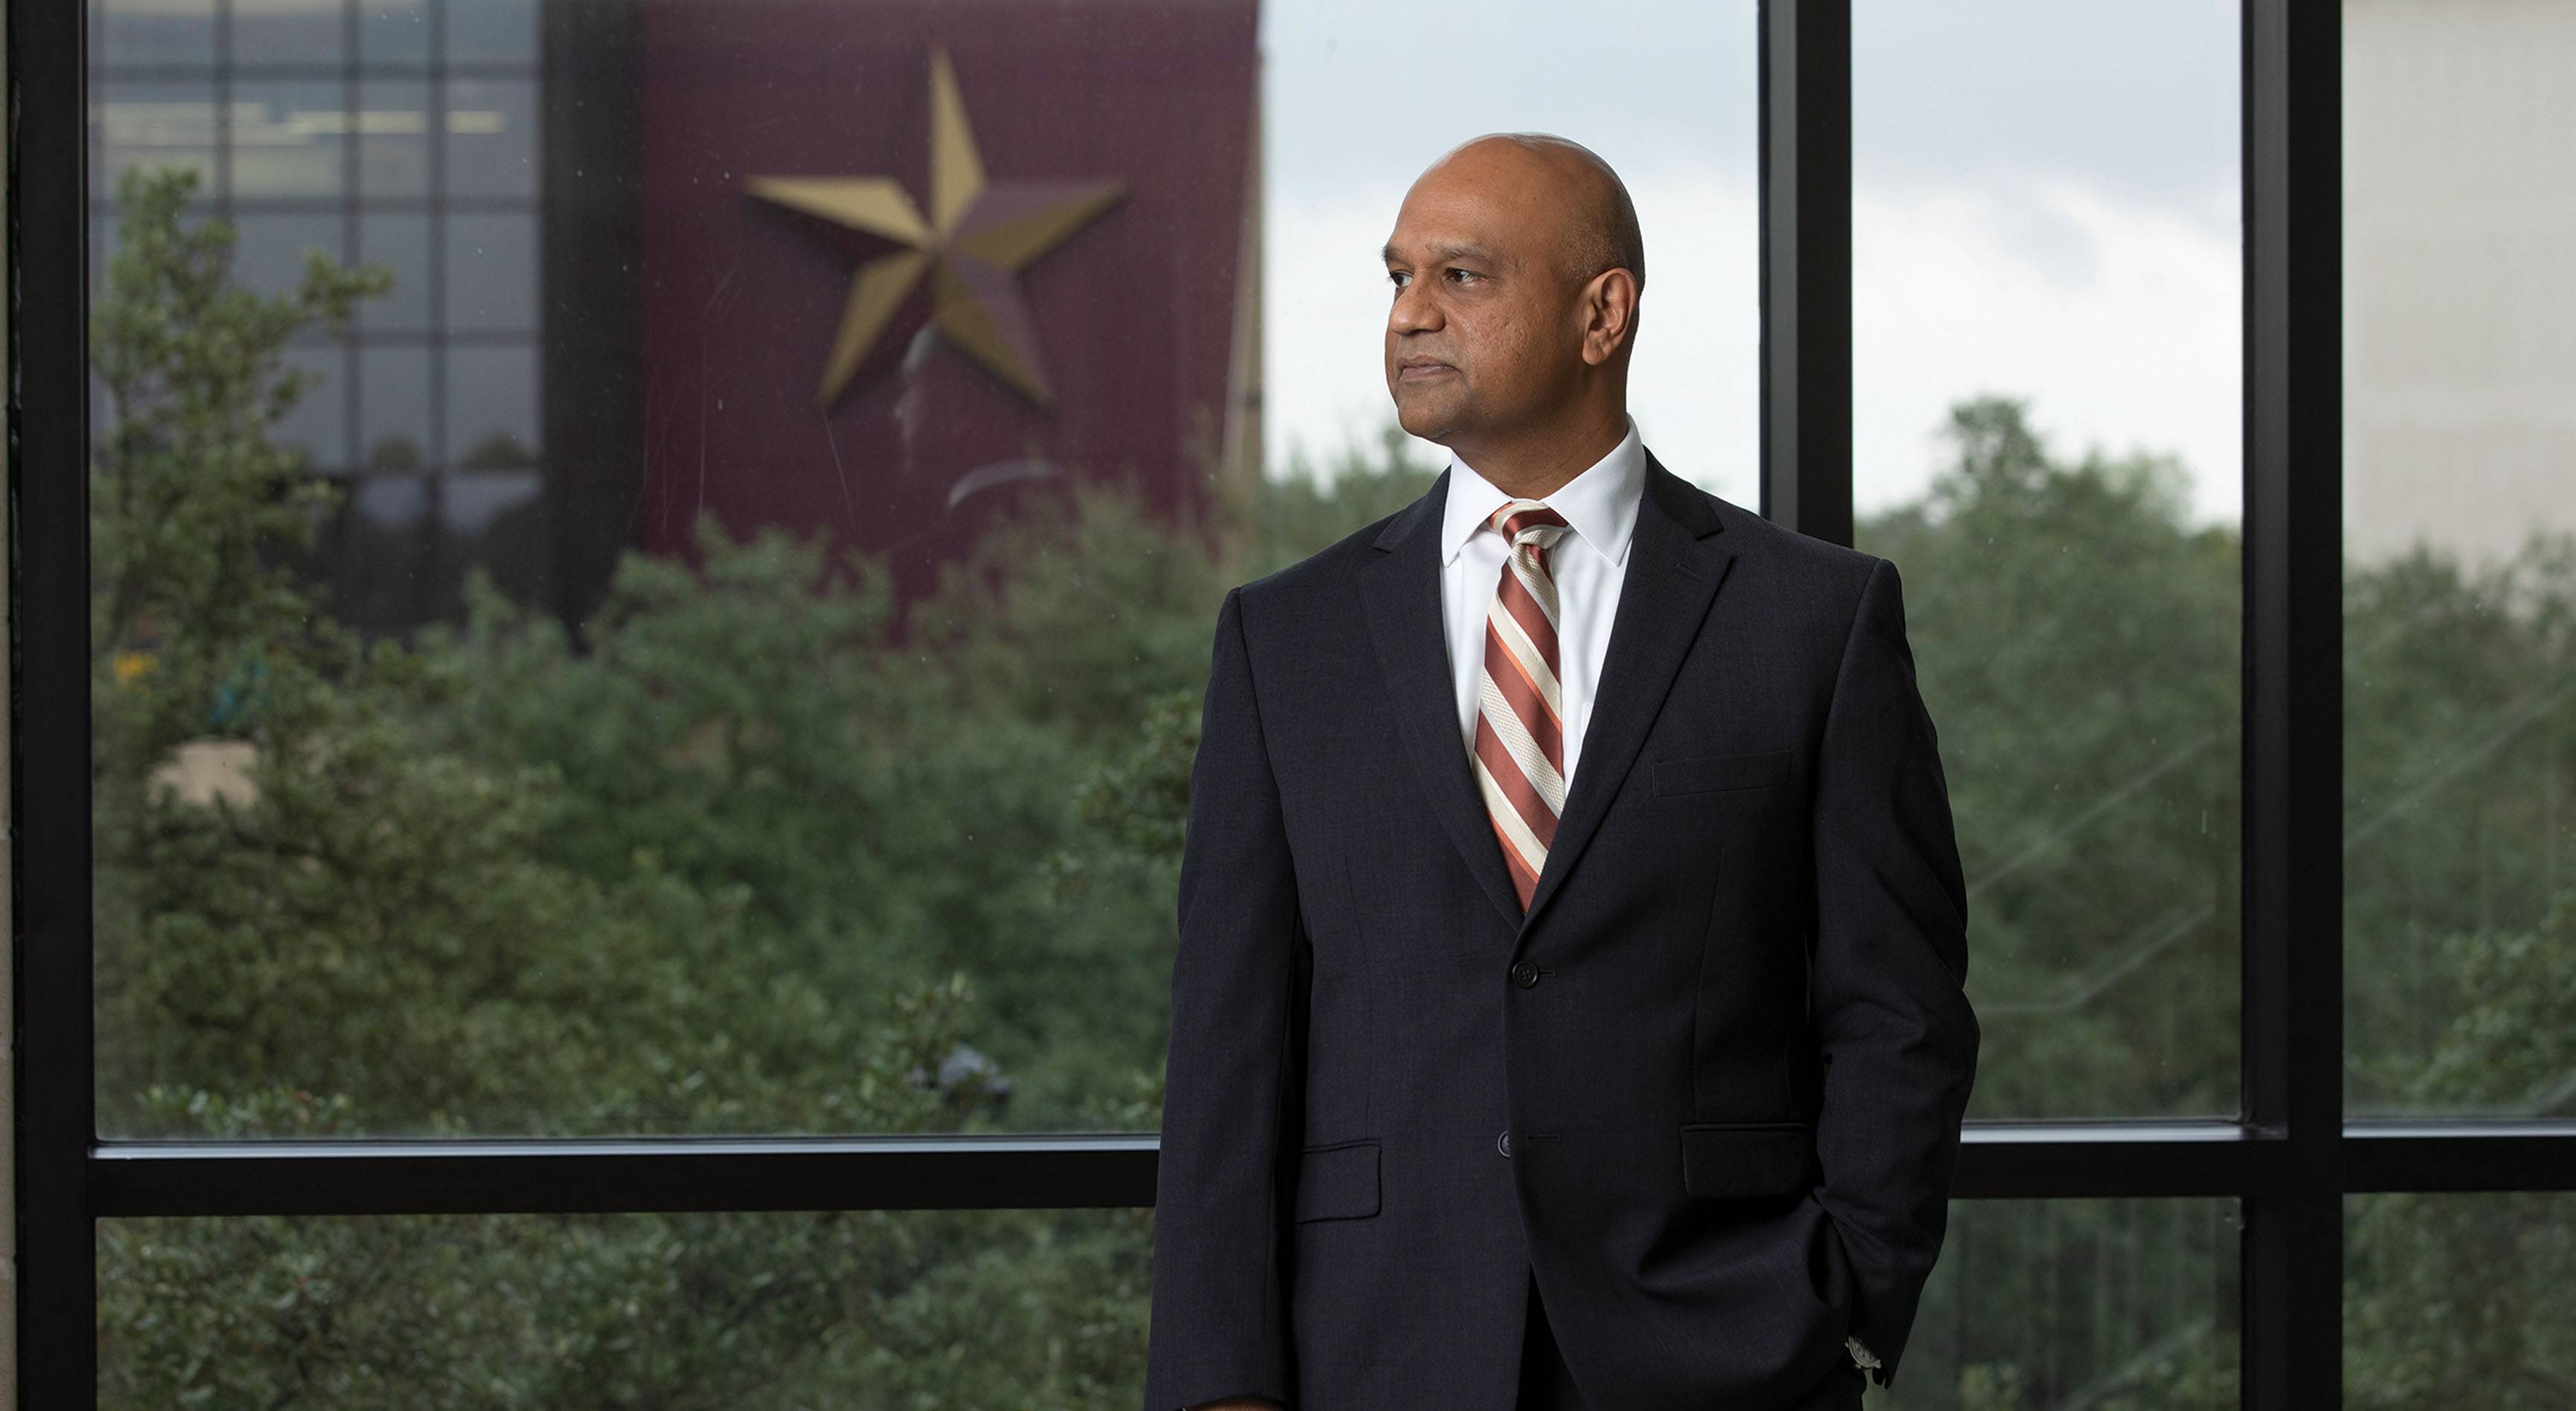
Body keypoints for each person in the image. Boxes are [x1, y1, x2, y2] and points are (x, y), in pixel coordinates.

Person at [1143, 133, 1979, 1411]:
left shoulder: (1813, 622)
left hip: (1724, 1352)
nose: (1411, 312)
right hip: (1373, 1352)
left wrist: (1848, 1304)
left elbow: (1898, 1014)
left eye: (1462, 277)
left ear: (1603, 313)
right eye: (1397, 275)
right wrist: (1221, 1385)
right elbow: (1227, 1047)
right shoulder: (1286, 639)